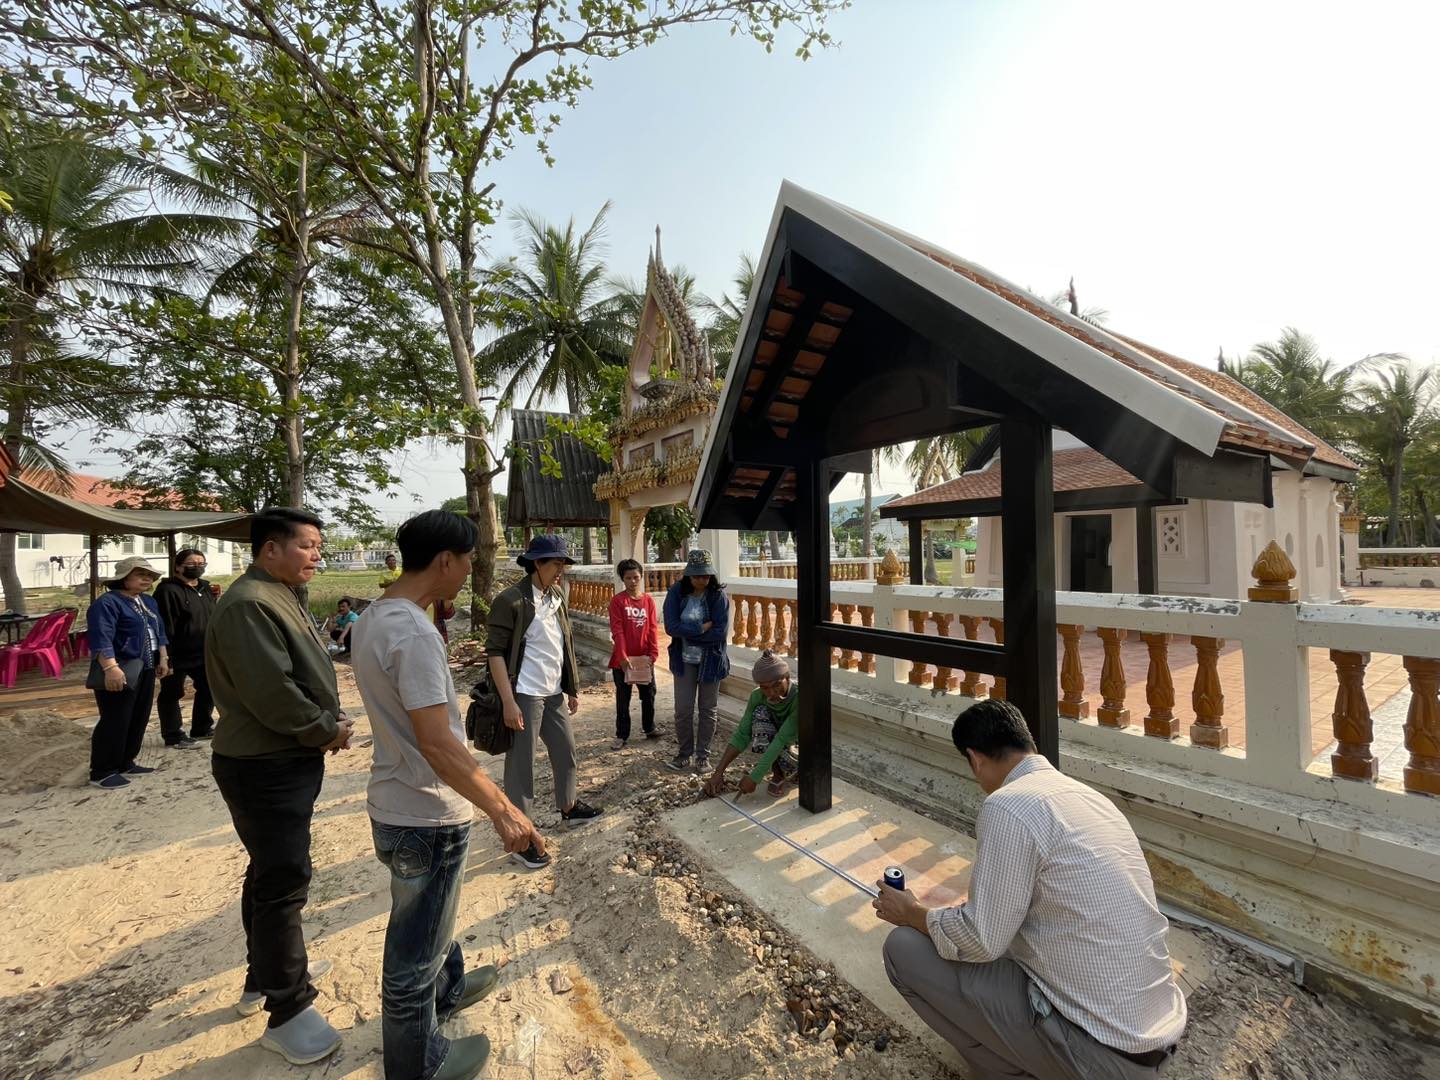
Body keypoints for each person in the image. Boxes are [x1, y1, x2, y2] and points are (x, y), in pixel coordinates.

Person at [873, 699, 1187, 1080]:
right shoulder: (1090, 798)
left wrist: (912, 913)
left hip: (1101, 1055)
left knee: (903, 949)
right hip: (1155, 1036)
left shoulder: (1006, 806)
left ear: (975, 760)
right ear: (1027, 743)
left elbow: (980, 939)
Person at [352, 510, 547, 1080]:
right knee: (412, 958)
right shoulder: (414, 633)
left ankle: (449, 988)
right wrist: (503, 809)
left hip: (394, 798)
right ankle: (419, 1064)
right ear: (444, 561)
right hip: (426, 812)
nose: (468, 572)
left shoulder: (375, 617)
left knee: (432, 919)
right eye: (467, 561)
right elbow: (437, 744)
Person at [206, 507, 355, 1066]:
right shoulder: (250, 603)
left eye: (319, 545)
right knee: (283, 881)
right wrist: (324, 728)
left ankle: (262, 976)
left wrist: (325, 723)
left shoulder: (279, 594)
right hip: (264, 764)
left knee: (269, 872)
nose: (317, 554)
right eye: (307, 545)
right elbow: (273, 693)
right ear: (271, 548)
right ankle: (287, 1009)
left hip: (282, 758)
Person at [485, 534, 602, 870]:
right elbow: (495, 653)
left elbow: (562, 645)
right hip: (524, 693)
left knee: (566, 751)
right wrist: (509, 701)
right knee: (521, 765)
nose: (561, 569)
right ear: (537, 563)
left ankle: (569, 807)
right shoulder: (511, 601)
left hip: (552, 693)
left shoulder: (556, 596)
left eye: (563, 563)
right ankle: (521, 837)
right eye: (555, 563)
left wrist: (572, 687)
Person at [86, 555, 171, 789]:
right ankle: (102, 771)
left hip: (145, 667)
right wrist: (110, 668)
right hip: (120, 667)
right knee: (116, 718)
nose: (147, 579)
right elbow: (101, 637)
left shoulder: (147, 601)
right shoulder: (107, 603)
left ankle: (125, 762)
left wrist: (163, 658)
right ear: (123, 578)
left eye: (150, 576)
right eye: (140, 574)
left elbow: (159, 631)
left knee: (138, 716)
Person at [662, 548, 730, 773]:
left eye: (706, 575)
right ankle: (684, 754)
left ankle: (703, 756)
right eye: (698, 575)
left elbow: (720, 632)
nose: (702, 580)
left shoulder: (718, 596)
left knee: (708, 709)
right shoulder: (676, 593)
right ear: (689, 575)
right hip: (683, 660)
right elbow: (671, 627)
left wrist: (688, 634)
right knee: (683, 709)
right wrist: (700, 628)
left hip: (712, 659)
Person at [701, 650, 798, 798]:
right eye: (765, 688)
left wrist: (755, 777)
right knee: (760, 714)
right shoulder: (757, 696)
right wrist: (718, 772)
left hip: (799, 745)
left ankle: (796, 770)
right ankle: (778, 774)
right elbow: (742, 735)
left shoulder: (799, 697)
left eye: (777, 685)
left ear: (787, 678)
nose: (771, 692)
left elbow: (781, 739)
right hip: (781, 742)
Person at [154, 548, 217, 748]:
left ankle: (202, 727)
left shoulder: (206, 588)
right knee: (172, 693)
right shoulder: (167, 591)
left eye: (201, 563)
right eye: (191, 563)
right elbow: (164, 624)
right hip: (176, 653)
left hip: (203, 651)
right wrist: (164, 656)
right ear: (178, 567)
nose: (197, 567)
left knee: (209, 688)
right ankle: (173, 735)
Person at [607, 558, 660, 751]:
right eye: (628, 578)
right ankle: (622, 735)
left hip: (644, 660)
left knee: (649, 694)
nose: (633, 581)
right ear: (623, 579)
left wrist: (653, 654)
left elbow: (652, 628)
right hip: (622, 661)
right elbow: (617, 630)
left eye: (636, 577)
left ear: (641, 577)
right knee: (623, 699)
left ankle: (649, 727)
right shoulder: (618, 601)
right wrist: (622, 656)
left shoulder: (648, 601)